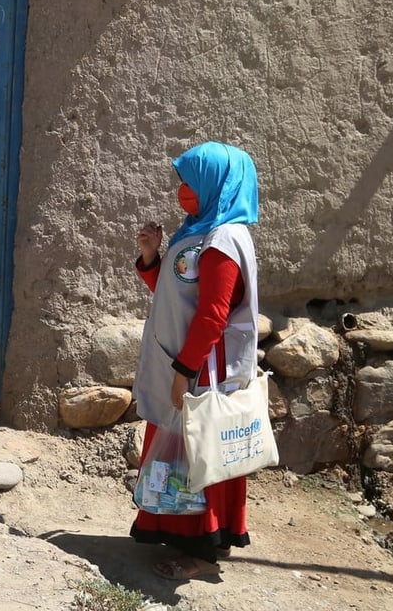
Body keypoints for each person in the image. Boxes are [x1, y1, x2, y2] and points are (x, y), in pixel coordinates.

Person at [129, 141, 260, 579]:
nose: (182, 189)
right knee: (182, 459)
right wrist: (151, 259)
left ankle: (200, 551)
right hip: (187, 366)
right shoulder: (200, 230)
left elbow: (212, 316)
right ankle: (185, 535)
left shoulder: (223, 240)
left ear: (216, 183)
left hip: (202, 372)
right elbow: (178, 300)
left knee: (201, 457)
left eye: (190, 181)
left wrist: (183, 373)